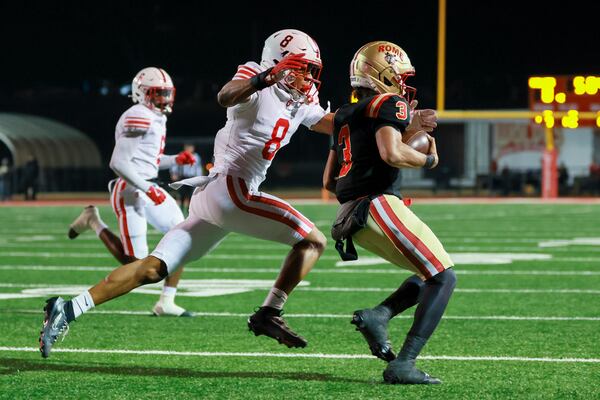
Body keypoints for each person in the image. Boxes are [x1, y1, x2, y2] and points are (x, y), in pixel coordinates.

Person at [39, 29, 335, 358]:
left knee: (152, 269)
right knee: (313, 241)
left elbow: (333, 124)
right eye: (303, 68)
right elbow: (226, 95)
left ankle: (67, 308)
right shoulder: (257, 78)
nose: (309, 77)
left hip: (214, 196)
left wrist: (375, 115)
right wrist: (265, 78)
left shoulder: (300, 100)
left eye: (312, 69)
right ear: (279, 64)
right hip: (231, 190)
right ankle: (269, 313)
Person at [323, 41, 456, 384]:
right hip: (377, 204)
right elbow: (392, 153)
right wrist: (429, 158)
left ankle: (379, 315)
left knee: (429, 274)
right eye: (400, 76)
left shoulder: (343, 114)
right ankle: (404, 363)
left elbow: (328, 181)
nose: (403, 84)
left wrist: (406, 128)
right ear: (384, 74)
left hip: (349, 217)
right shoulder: (388, 102)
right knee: (444, 277)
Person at [66, 67, 197, 317]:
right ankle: (93, 221)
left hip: (149, 186)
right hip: (130, 190)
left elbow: (149, 161)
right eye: (158, 93)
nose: (165, 99)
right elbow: (118, 163)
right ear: (142, 93)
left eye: (167, 93)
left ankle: (166, 302)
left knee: (183, 238)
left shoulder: (156, 116)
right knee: (135, 265)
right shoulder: (138, 115)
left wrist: (175, 160)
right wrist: (148, 188)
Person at [170, 143, 203, 211]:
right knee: (182, 194)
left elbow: (198, 168)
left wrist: (199, 178)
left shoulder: (196, 156)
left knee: (191, 194)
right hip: (183, 177)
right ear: (185, 148)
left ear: (193, 148)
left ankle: (190, 210)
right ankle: (182, 209)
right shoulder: (181, 155)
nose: (189, 149)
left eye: (190, 147)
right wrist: (174, 173)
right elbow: (175, 164)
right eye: (187, 147)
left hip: (192, 177)